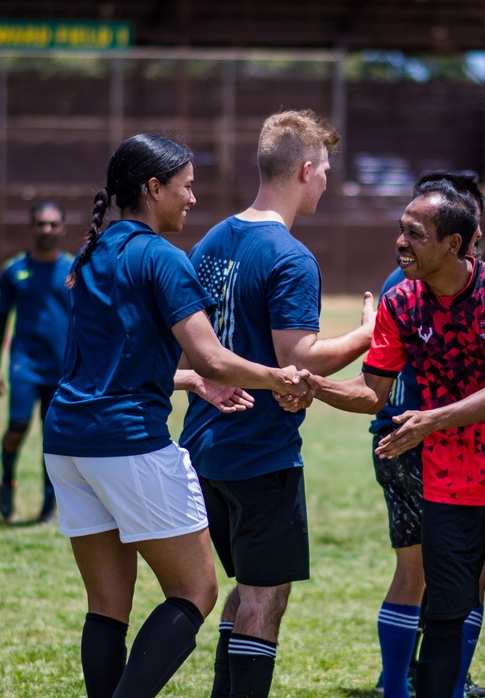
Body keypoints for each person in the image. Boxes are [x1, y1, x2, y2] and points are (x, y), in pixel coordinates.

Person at [42, 134, 310, 698]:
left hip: (66, 444)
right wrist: (277, 376)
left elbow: (120, 363)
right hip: (127, 443)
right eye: (186, 187)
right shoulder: (164, 258)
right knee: (195, 592)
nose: (193, 198)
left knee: (108, 605)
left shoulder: (91, 252)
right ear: (153, 188)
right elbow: (212, 354)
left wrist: (192, 382)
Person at [300, 180, 485, 698]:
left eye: (415, 234)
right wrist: (316, 387)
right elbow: (373, 392)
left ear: (454, 245)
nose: (401, 242)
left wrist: (428, 421)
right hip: (449, 487)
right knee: (443, 614)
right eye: (401, 230)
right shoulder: (400, 303)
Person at [178, 109, 375, 698]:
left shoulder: (212, 239)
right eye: (326, 173)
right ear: (306, 170)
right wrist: (369, 332)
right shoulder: (290, 256)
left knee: (247, 586)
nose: (327, 184)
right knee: (268, 592)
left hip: (204, 443)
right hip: (260, 451)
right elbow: (302, 357)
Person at [370, 172, 485, 698]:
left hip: (389, 438)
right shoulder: (443, 285)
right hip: (436, 443)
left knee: (411, 571)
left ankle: (395, 682)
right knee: (470, 577)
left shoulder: (394, 281)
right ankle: (450, 683)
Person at [0, 201, 73, 522]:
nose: (47, 230)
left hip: (63, 369)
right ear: (32, 227)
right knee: (17, 428)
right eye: (40, 224)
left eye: (53, 224)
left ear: (63, 227)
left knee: (53, 438)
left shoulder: (74, 270)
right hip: (25, 366)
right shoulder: (14, 270)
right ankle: (8, 480)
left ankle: (48, 508)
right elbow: (0, 322)